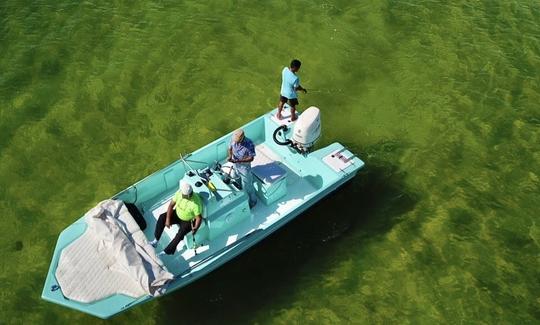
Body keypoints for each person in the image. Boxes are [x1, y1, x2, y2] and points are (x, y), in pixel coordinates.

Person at [150, 181, 203, 255]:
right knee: (162, 217)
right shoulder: (180, 193)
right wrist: (168, 220)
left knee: (180, 234)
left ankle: (166, 251)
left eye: (184, 196)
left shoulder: (196, 203)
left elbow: (199, 218)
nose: (182, 196)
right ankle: (155, 241)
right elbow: (171, 205)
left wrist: (195, 228)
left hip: (188, 221)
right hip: (177, 214)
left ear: (189, 195)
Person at [227, 129, 257, 208]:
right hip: (235, 165)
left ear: (242, 138)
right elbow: (230, 148)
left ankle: (252, 202)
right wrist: (230, 156)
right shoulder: (233, 138)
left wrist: (238, 160)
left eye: (237, 141)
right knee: (235, 178)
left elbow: (251, 158)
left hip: (244, 167)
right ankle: (242, 194)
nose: (235, 142)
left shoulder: (249, 143)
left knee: (247, 186)